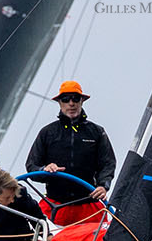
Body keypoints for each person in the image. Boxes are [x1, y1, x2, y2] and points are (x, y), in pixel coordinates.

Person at [26, 80, 116, 226]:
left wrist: (103, 186)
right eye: (66, 99)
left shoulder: (97, 132)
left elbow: (107, 163)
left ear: (82, 101)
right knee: (38, 239)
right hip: (55, 206)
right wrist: (45, 170)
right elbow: (31, 166)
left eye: (75, 98)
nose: (71, 103)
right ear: (59, 103)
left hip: (88, 207)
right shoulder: (47, 133)